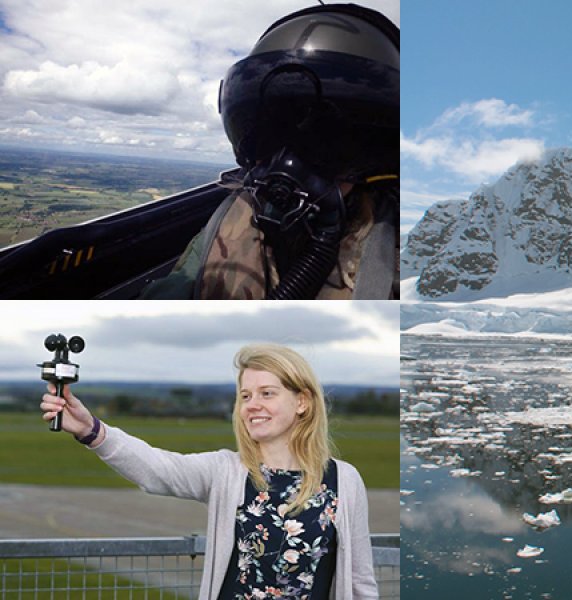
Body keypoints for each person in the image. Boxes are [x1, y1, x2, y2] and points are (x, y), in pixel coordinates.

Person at [40, 344, 379, 599]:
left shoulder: (343, 480)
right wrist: (91, 429)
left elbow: (361, 582)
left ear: (302, 402)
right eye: (245, 395)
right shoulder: (227, 471)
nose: (252, 404)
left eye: (267, 393)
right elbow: (156, 469)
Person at [141, 3, 399, 299]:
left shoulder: (398, 254)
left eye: (328, 139)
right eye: (274, 132)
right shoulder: (227, 225)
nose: (289, 161)